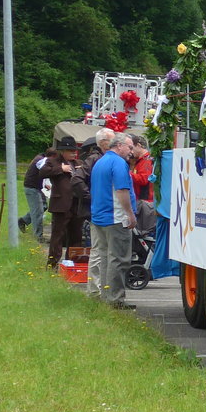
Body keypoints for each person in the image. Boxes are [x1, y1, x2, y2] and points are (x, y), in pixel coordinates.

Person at [89, 132, 138, 308]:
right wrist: (130, 214)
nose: (131, 151)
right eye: (129, 147)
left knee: (104, 257)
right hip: (115, 217)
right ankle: (115, 299)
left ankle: (106, 295)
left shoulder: (100, 161)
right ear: (119, 146)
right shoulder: (118, 163)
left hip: (99, 216)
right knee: (119, 259)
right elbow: (122, 191)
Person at [74, 128, 113, 296]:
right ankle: (95, 289)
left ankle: (99, 288)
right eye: (112, 140)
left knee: (100, 249)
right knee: (97, 250)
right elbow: (76, 179)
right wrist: (91, 196)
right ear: (104, 142)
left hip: (99, 209)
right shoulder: (94, 159)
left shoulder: (100, 158)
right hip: (96, 210)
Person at [41, 136, 82, 270]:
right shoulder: (53, 161)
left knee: (76, 236)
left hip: (76, 204)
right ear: (62, 151)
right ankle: (52, 263)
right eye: (70, 151)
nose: (73, 153)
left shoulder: (77, 163)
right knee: (58, 236)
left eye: (74, 150)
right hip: (61, 204)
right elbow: (42, 172)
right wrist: (60, 169)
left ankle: (71, 263)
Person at [17, 147, 50, 242]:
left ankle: (23, 221)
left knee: (43, 206)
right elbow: (45, 171)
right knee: (38, 212)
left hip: (35, 187)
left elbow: (40, 173)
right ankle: (38, 237)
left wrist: (44, 184)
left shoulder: (40, 158)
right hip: (32, 188)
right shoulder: (42, 160)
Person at [129, 133, 158, 233]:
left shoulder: (146, 160)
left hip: (145, 203)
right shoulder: (141, 161)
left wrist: (128, 174)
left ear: (139, 146)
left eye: (132, 148)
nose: (131, 152)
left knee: (143, 232)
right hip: (143, 203)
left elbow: (144, 179)